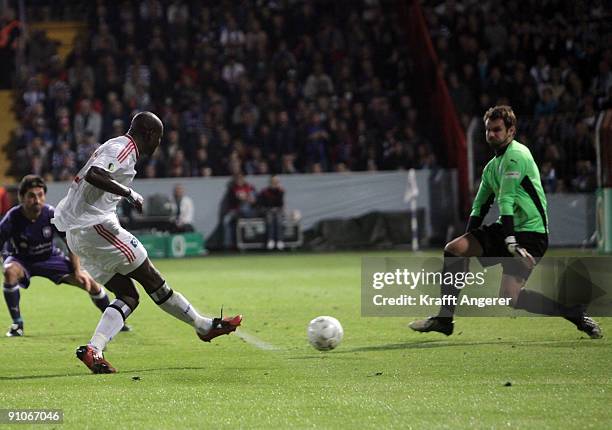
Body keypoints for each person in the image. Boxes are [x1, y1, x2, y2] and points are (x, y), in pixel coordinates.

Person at [52, 112, 242, 374]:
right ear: (150, 134)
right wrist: (128, 192)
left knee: (128, 296)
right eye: (159, 138)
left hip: (78, 234)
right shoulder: (123, 148)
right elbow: (94, 174)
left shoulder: (115, 146)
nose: (159, 144)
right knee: (153, 279)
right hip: (93, 228)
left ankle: (94, 350)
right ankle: (203, 326)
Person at [409, 105, 602, 339]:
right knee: (455, 249)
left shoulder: (517, 155)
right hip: (507, 230)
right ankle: (444, 319)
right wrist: (468, 245)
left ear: (511, 131)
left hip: (531, 234)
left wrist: (512, 241)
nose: (491, 134)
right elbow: (479, 206)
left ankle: (574, 314)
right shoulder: (491, 167)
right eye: (488, 130)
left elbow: (507, 200)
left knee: (510, 297)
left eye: (497, 129)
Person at [1, 175, 115, 337]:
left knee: (89, 282)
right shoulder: (12, 217)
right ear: (22, 198)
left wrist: (77, 270)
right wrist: (5, 259)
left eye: (40, 195)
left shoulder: (51, 214)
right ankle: (17, 324)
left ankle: (114, 322)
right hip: (22, 259)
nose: (37, 200)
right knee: (9, 271)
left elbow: (70, 242)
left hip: (50, 258)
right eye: (32, 196)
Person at [222, 173, 257, 249]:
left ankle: (249, 243)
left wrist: (246, 198)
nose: (239, 181)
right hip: (236, 211)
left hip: (248, 211)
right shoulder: (232, 189)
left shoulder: (250, 188)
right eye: (237, 179)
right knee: (226, 219)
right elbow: (231, 203)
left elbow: (254, 201)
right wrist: (238, 199)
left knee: (245, 208)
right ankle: (228, 245)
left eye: (241, 179)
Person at [258, 175, 285, 250]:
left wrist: (280, 193)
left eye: (276, 182)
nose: (275, 184)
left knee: (279, 218)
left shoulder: (280, 191)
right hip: (266, 211)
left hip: (277, 211)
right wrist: (270, 209)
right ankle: (271, 240)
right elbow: (262, 204)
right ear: (270, 183)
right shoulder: (264, 192)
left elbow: (280, 204)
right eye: (273, 182)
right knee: (270, 218)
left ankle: (280, 240)